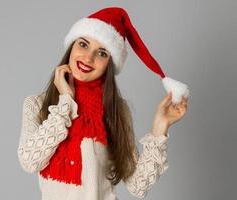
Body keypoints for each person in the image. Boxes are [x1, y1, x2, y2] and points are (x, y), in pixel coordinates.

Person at [17, 6, 189, 200]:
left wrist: (160, 127)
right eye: (83, 44)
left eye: (102, 53)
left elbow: (138, 186)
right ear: (71, 47)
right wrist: (65, 102)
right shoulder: (38, 104)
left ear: (110, 63)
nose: (88, 57)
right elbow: (30, 161)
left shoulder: (116, 110)